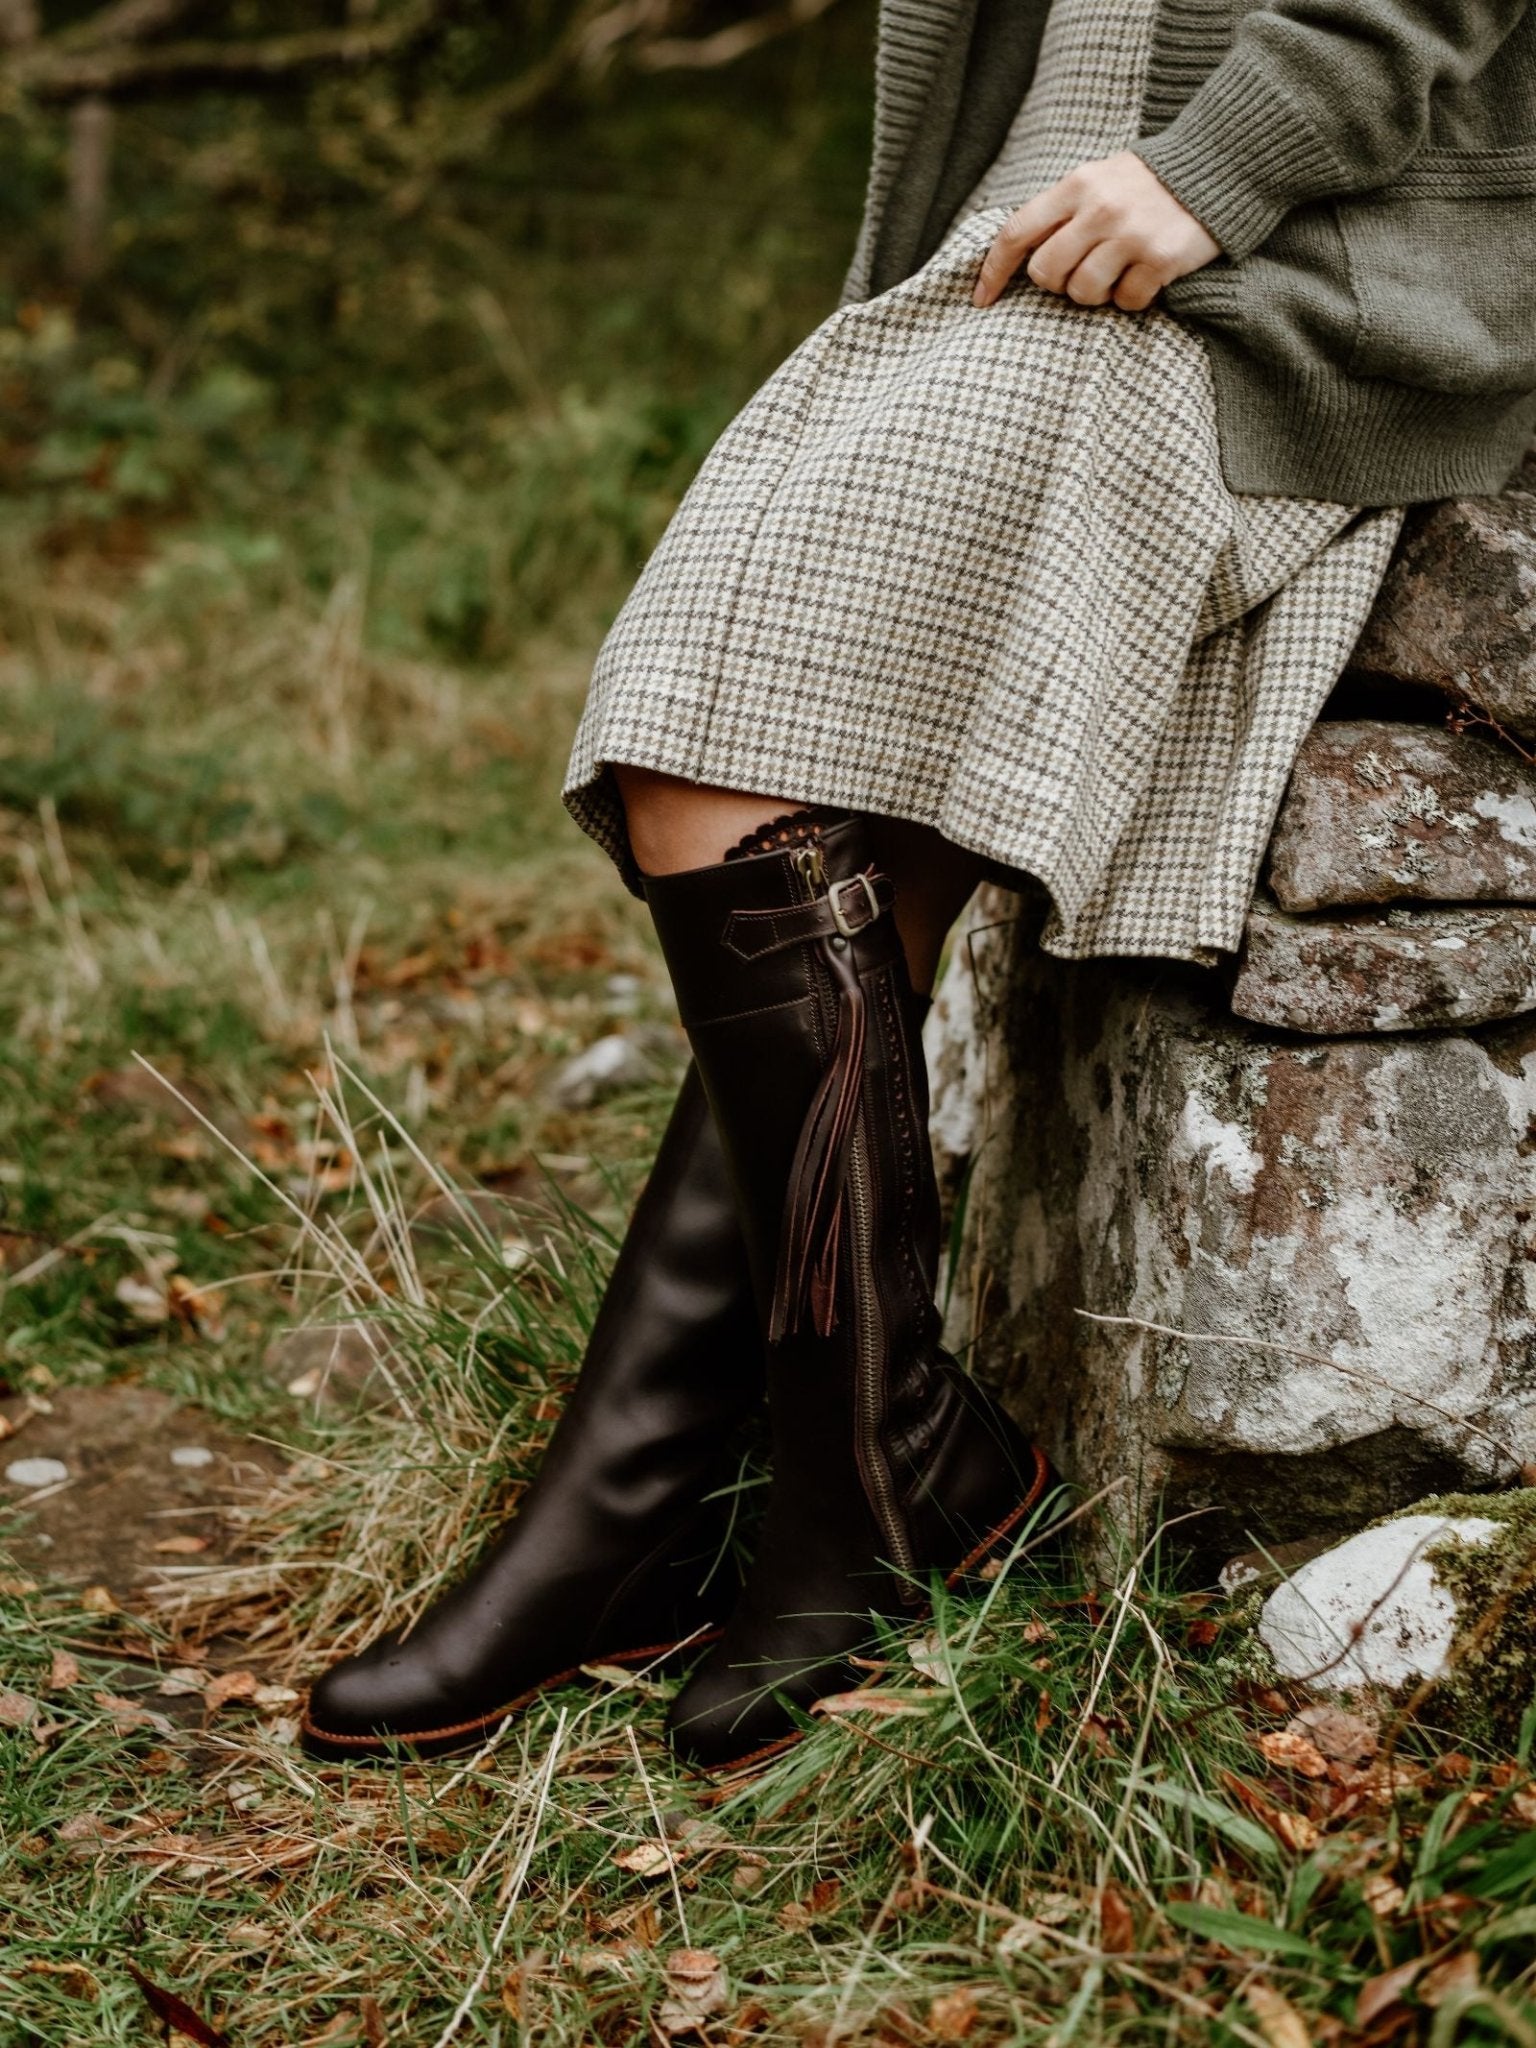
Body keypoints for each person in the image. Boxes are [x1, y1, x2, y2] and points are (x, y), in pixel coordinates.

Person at [303, 0, 1536, 1773]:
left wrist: (1229, 161)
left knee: (724, 771)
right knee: (775, 775)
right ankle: (812, 1479)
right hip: (1016, 243)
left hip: (1295, 255)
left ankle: (727, 1495)